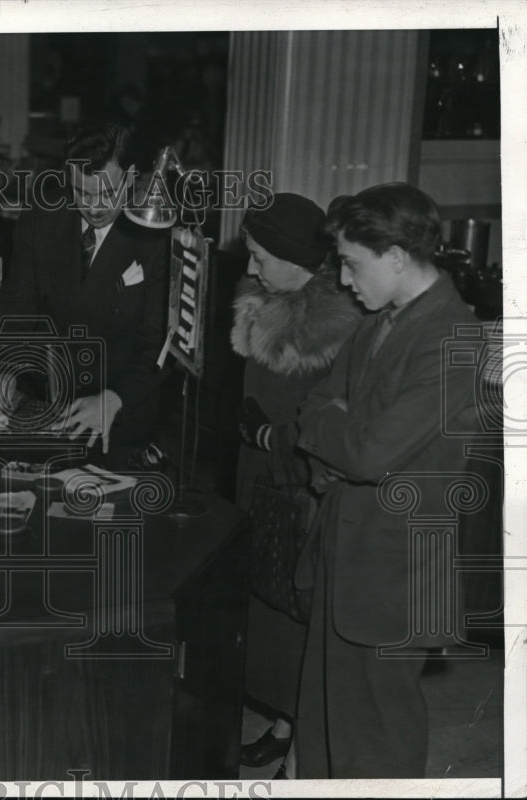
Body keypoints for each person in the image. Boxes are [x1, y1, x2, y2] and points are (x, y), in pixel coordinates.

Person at [293, 183, 479, 777]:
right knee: (326, 726)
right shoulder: (379, 321)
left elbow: (371, 454)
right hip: (346, 551)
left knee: (378, 744)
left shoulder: (454, 337)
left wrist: (337, 431)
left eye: (352, 263)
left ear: (396, 256)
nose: (344, 280)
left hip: (399, 574)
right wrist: (335, 429)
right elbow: (316, 403)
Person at [230, 193, 363, 775]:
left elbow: (328, 425)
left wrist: (267, 439)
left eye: (260, 257)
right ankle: (286, 720)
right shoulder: (265, 299)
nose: (250, 267)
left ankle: (300, 732)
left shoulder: (337, 325)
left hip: (297, 487)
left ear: (294, 259)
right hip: (257, 479)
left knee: (297, 611)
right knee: (267, 612)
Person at [0, 122, 169, 462]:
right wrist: (2, 369)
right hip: (44, 404)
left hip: (119, 420)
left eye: (107, 193)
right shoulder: (44, 216)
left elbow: (159, 344)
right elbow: (16, 304)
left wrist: (114, 398)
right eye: (82, 193)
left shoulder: (156, 234)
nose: (94, 207)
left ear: (130, 178)